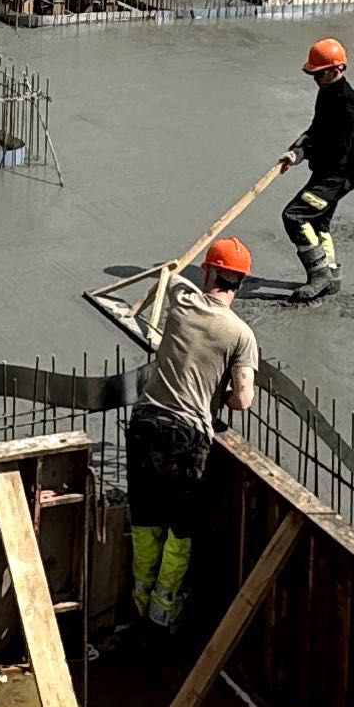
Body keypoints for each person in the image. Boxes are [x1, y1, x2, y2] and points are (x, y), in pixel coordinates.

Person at [126, 238, 259, 634]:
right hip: (187, 435)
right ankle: (162, 612)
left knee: (146, 519)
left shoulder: (181, 303)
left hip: (145, 422)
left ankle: (138, 597)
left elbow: (171, 275)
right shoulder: (240, 335)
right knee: (179, 528)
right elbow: (243, 400)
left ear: (209, 271)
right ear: (241, 283)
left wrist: (176, 267)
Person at [282, 38, 354, 303]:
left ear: (336, 70)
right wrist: (303, 141)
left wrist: (305, 154)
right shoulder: (327, 93)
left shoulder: (347, 103)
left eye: (319, 74)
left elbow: (338, 148)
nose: (315, 79)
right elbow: (319, 128)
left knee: (294, 216)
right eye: (313, 75)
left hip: (337, 176)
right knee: (319, 222)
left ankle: (318, 275)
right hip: (327, 172)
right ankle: (330, 274)